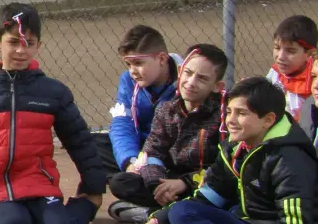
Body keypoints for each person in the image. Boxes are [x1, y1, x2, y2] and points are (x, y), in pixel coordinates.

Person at [0, 3, 106, 224]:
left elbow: (79, 139)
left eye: (28, 43)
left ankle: (84, 207)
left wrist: (94, 186)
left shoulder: (54, 92)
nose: (21, 51)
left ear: (38, 46)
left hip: (40, 184)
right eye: (13, 42)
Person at [150, 77, 317, 224]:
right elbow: (211, 196)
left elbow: (297, 219)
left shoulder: (289, 159)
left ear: (268, 120)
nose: (230, 120)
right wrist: (159, 218)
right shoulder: (235, 149)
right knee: (181, 211)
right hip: (243, 218)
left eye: (241, 113)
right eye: (229, 112)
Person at [108, 44, 227, 224]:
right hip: (170, 181)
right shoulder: (167, 110)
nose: (191, 82)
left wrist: (186, 183)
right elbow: (152, 151)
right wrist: (157, 185)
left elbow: (225, 167)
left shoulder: (224, 115)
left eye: (202, 78)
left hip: (204, 183)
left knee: (219, 194)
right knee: (121, 182)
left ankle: (152, 214)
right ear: (180, 71)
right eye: (188, 73)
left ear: (217, 86)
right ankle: (166, 212)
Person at [102, 25, 184, 179]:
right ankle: (139, 177)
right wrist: (130, 162)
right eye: (128, 64)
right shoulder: (128, 80)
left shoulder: (186, 82)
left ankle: (150, 180)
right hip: (140, 148)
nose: (132, 71)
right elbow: (122, 124)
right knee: (91, 146)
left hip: (170, 150)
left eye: (138, 63)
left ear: (161, 59)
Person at [266, 15, 318, 137]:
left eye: (290, 51)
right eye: (277, 48)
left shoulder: (312, 83)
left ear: (310, 54)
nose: (280, 56)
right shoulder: (276, 72)